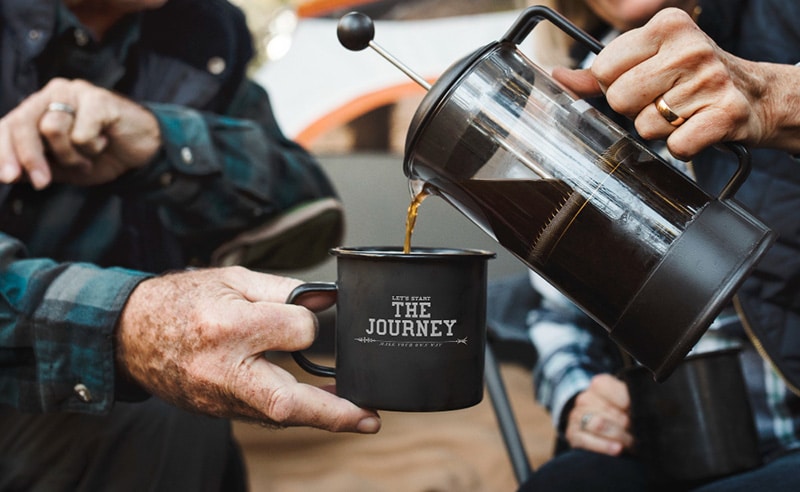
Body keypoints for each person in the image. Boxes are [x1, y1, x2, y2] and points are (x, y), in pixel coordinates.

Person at [0, 0, 380, 490]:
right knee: (159, 418)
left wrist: (163, 142)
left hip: (142, 418)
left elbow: (309, 210)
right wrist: (126, 326)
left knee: (181, 414)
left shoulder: (202, 29)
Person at [517, 1, 800, 491]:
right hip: (666, 441)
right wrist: (580, 395)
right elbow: (560, 318)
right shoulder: (576, 93)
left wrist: (775, 96)